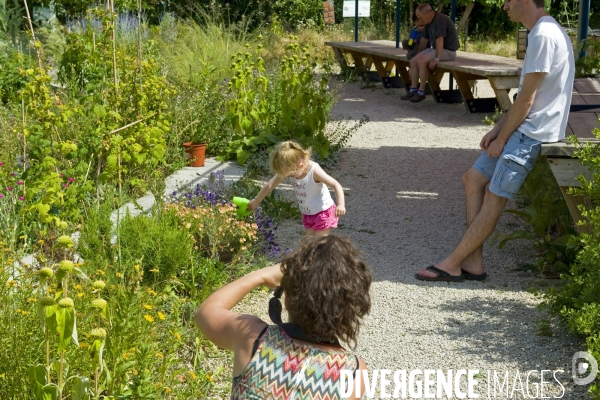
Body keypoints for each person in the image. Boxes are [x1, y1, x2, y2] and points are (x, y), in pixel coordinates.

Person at [415, 0, 575, 282]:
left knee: (493, 198)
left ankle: (453, 263)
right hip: (522, 128)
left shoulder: (544, 35)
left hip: (531, 134)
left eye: (508, 0)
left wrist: (502, 138)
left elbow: (527, 101)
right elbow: (526, 99)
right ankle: (473, 263)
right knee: (472, 179)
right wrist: (498, 128)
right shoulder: (541, 31)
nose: (503, 6)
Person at [194, 235, 372, 399]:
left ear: (286, 298)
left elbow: (205, 312)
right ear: (353, 307)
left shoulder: (253, 338)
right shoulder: (354, 371)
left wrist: (259, 275)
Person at [248, 141, 346, 236]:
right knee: (310, 244)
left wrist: (340, 204)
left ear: (300, 163)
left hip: (323, 212)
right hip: (308, 214)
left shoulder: (314, 171)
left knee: (319, 244)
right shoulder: (290, 168)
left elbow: (335, 185)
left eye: (290, 173)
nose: (288, 175)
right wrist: (256, 201)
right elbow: (269, 185)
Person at [401, 3, 459, 103]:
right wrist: (417, 55)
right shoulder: (428, 22)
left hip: (448, 51)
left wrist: (436, 59)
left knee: (422, 61)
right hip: (437, 49)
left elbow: (440, 39)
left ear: (427, 13)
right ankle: (413, 89)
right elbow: (424, 40)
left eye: (420, 18)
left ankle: (421, 92)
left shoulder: (440, 19)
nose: (420, 21)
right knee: (414, 60)